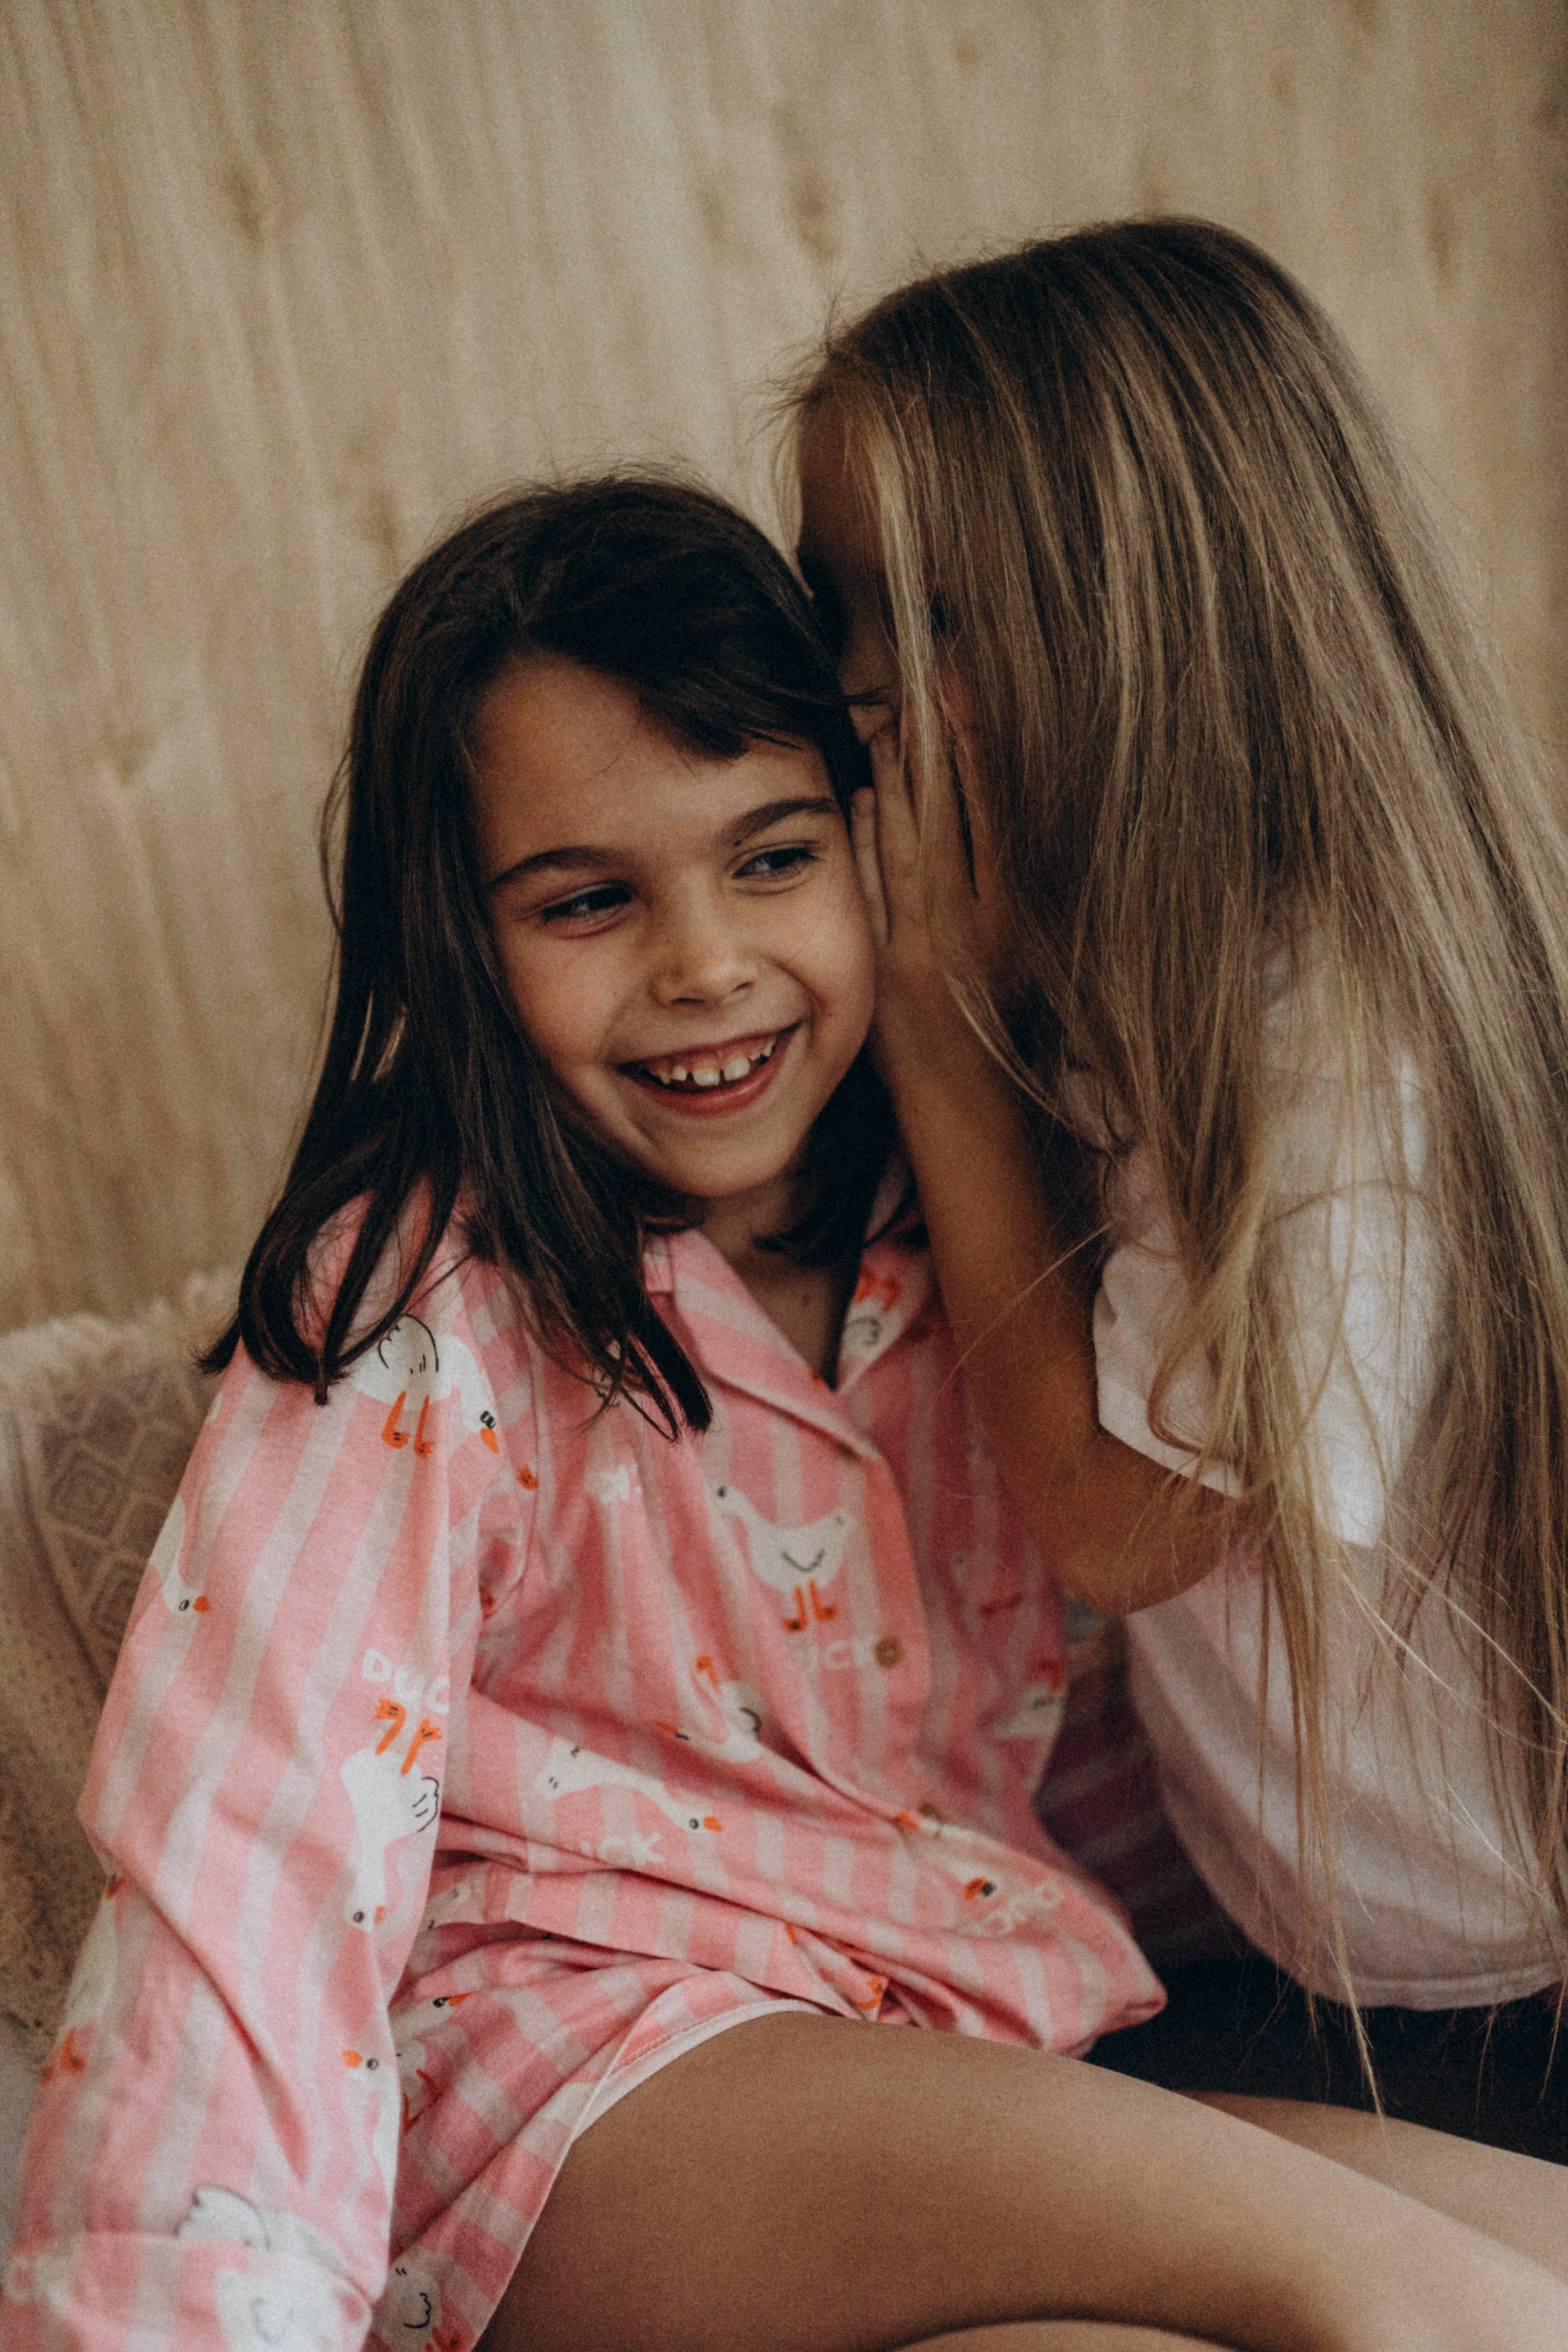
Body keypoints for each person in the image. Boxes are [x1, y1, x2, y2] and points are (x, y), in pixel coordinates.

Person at [7, 477, 1567, 2352]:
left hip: (944, 2033)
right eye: (588, 900)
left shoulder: (972, 1234)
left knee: (1514, 2251)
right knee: (1415, 2301)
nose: (705, 965)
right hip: (582, 2074)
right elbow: (249, 1850)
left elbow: (1061, 1747)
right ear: (457, 940)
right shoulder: (421, 1303)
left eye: (773, 858)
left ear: (883, 853)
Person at [791, 217, 1568, 2155]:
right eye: (838, 614)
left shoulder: (1334, 1023)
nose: (861, 694)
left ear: (1170, 624)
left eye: (939, 614)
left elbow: (1123, 1531)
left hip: (1486, 1985)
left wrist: (941, 1040)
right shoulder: (1107, 961)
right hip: (1311, 1928)